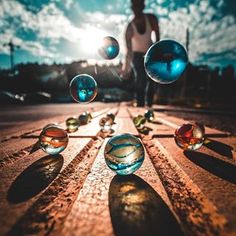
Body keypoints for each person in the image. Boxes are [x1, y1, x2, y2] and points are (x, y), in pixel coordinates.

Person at [121, 0, 160, 107]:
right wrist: (126, 67)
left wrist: (158, 53)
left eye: (139, 5)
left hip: (151, 52)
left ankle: (150, 104)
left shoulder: (152, 19)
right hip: (136, 55)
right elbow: (128, 50)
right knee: (141, 78)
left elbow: (157, 39)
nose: (137, 8)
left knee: (152, 78)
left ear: (143, 5)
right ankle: (140, 104)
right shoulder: (129, 27)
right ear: (132, 7)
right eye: (135, 5)